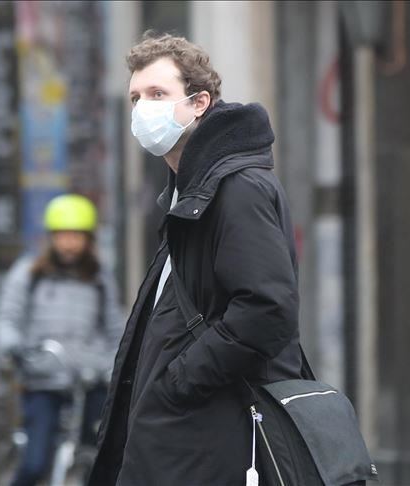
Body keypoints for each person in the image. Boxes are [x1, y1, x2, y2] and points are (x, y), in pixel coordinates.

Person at [88, 32, 304, 486]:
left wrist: (181, 380)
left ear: (199, 102)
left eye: (157, 94)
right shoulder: (189, 192)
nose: (142, 109)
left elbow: (267, 308)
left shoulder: (237, 187)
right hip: (186, 436)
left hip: (213, 433)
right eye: (135, 98)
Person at [0, 194, 123, 486]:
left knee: (98, 462)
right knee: (35, 463)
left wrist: (109, 366)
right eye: (63, 236)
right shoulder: (29, 274)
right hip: (43, 381)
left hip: (88, 382)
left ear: (88, 240)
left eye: (77, 236)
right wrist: (13, 346)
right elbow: (7, 318)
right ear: (51, 238)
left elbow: (116, 331)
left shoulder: (100, 280)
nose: (69, 244)